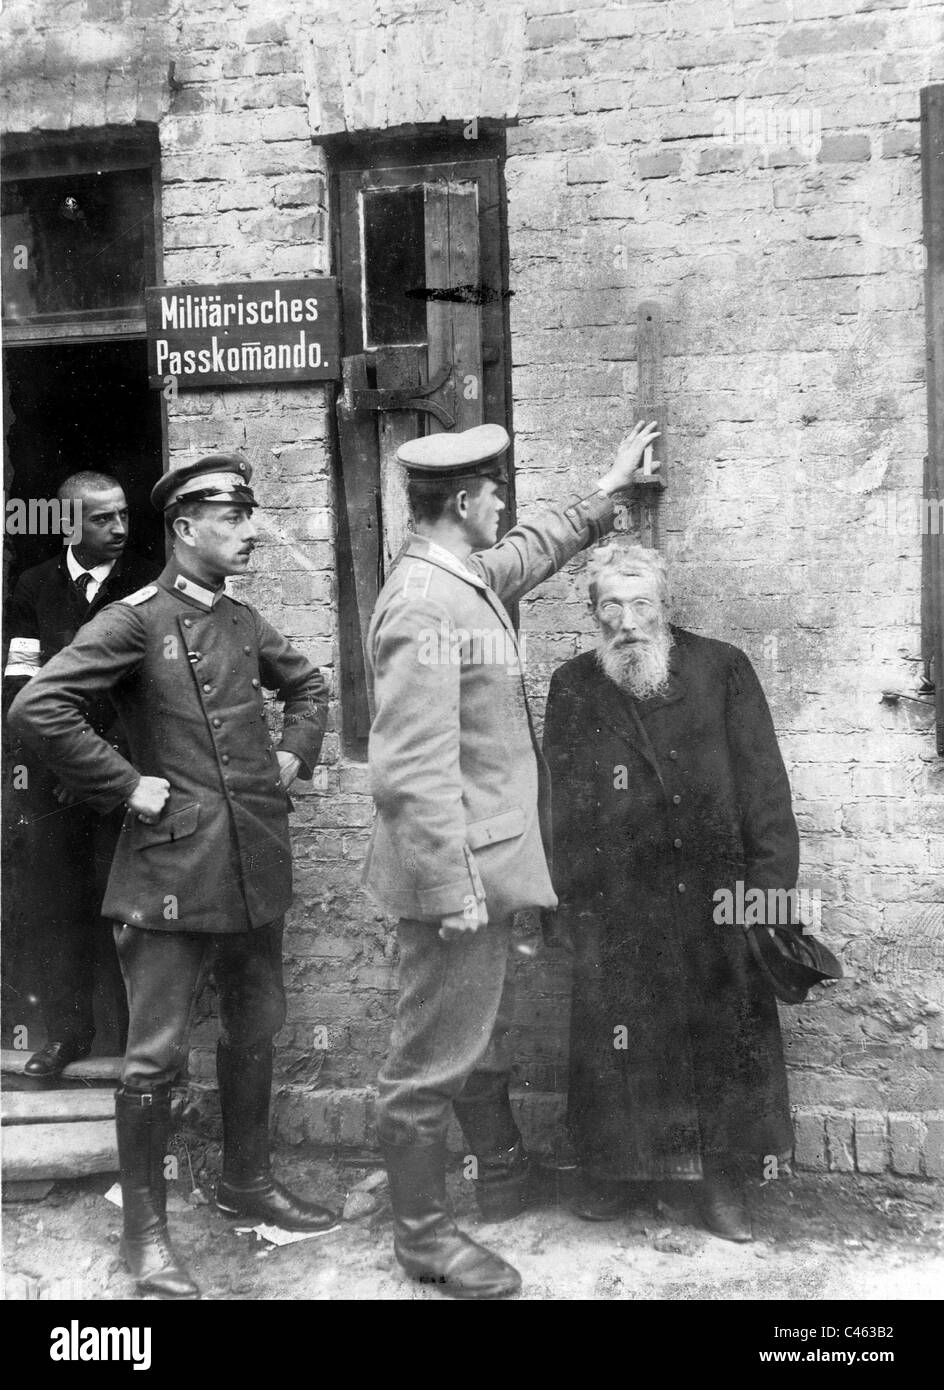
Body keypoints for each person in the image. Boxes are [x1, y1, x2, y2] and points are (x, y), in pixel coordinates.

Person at [9, 454, 339, 1300]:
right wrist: (125, 783)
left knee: (256, 1024)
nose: (250, 531)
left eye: (250, 517)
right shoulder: (131, 621)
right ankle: (143, 1236)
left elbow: (308, 687)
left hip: (250, 864)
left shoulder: (240, 621)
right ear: (186, 529)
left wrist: (295, 758)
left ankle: (246, 1182)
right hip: (168, 874)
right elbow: (36, 708)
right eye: (232, 520)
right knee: (152, 1061)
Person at [363, 419, 660, 1299]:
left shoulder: (459, 577)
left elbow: (529, 553)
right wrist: (454, 888)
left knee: (454, 1043)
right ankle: (422, 1240)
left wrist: (607, 498)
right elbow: (409, 768)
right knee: (427, 1060)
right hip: (455, 875)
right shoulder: (424, 602)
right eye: (494, 493)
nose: (503, 505)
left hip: (476, 865)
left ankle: (449, 1212)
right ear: (462, 502)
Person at [542, 542, 799, 1243]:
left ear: (665, 606)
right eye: (611, 607)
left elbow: (765, 790)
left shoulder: (721, 670)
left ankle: (723, 1186)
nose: (628, 621)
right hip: (619, 902)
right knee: (621, 1043)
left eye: (641, 604)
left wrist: (768, 897)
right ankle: (622, 1175)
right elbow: (557, 805)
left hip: (715, 899)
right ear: (593, 614)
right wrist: (567, 904)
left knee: (720, 1042)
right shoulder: (574, 686)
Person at [3, 472, 158, 1078]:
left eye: (123, 515)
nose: (119, 528)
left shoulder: (147, 582)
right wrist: (65, 763)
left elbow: (149, 690)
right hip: (52, 786)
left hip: (128, 780)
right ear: (68, 522)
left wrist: (100, 769)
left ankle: (136, 1048)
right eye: (101, 519)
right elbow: (19, 683)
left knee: (130, 909)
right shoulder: (33, 586)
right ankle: (68, 1037)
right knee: (57, 904)